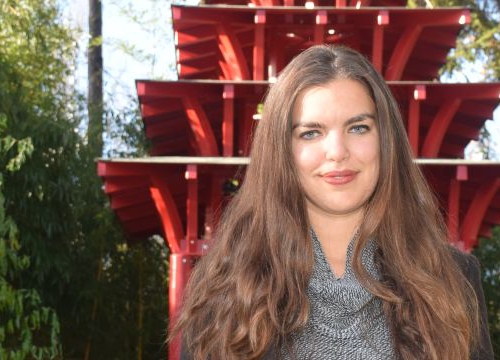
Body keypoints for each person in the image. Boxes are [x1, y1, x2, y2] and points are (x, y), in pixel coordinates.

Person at [173, 45, 494, 360]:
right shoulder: (226, 285)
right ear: (280, 150)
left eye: (358, 128)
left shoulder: (451, 278)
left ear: (387, 139)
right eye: (311, 133)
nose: (337, 151)